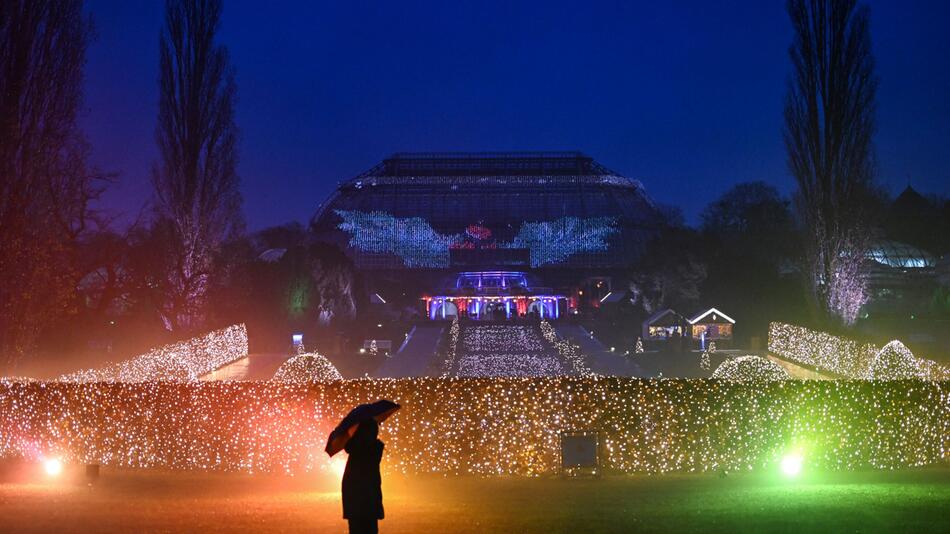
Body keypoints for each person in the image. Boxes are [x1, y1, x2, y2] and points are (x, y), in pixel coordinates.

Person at [342, 418, 384, 533]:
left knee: (356, 528)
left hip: (354, 497)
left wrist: (353, 434)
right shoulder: (376, 447)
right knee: (370, 528)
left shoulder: (355, 447)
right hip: (370, 496)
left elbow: (349, 445)